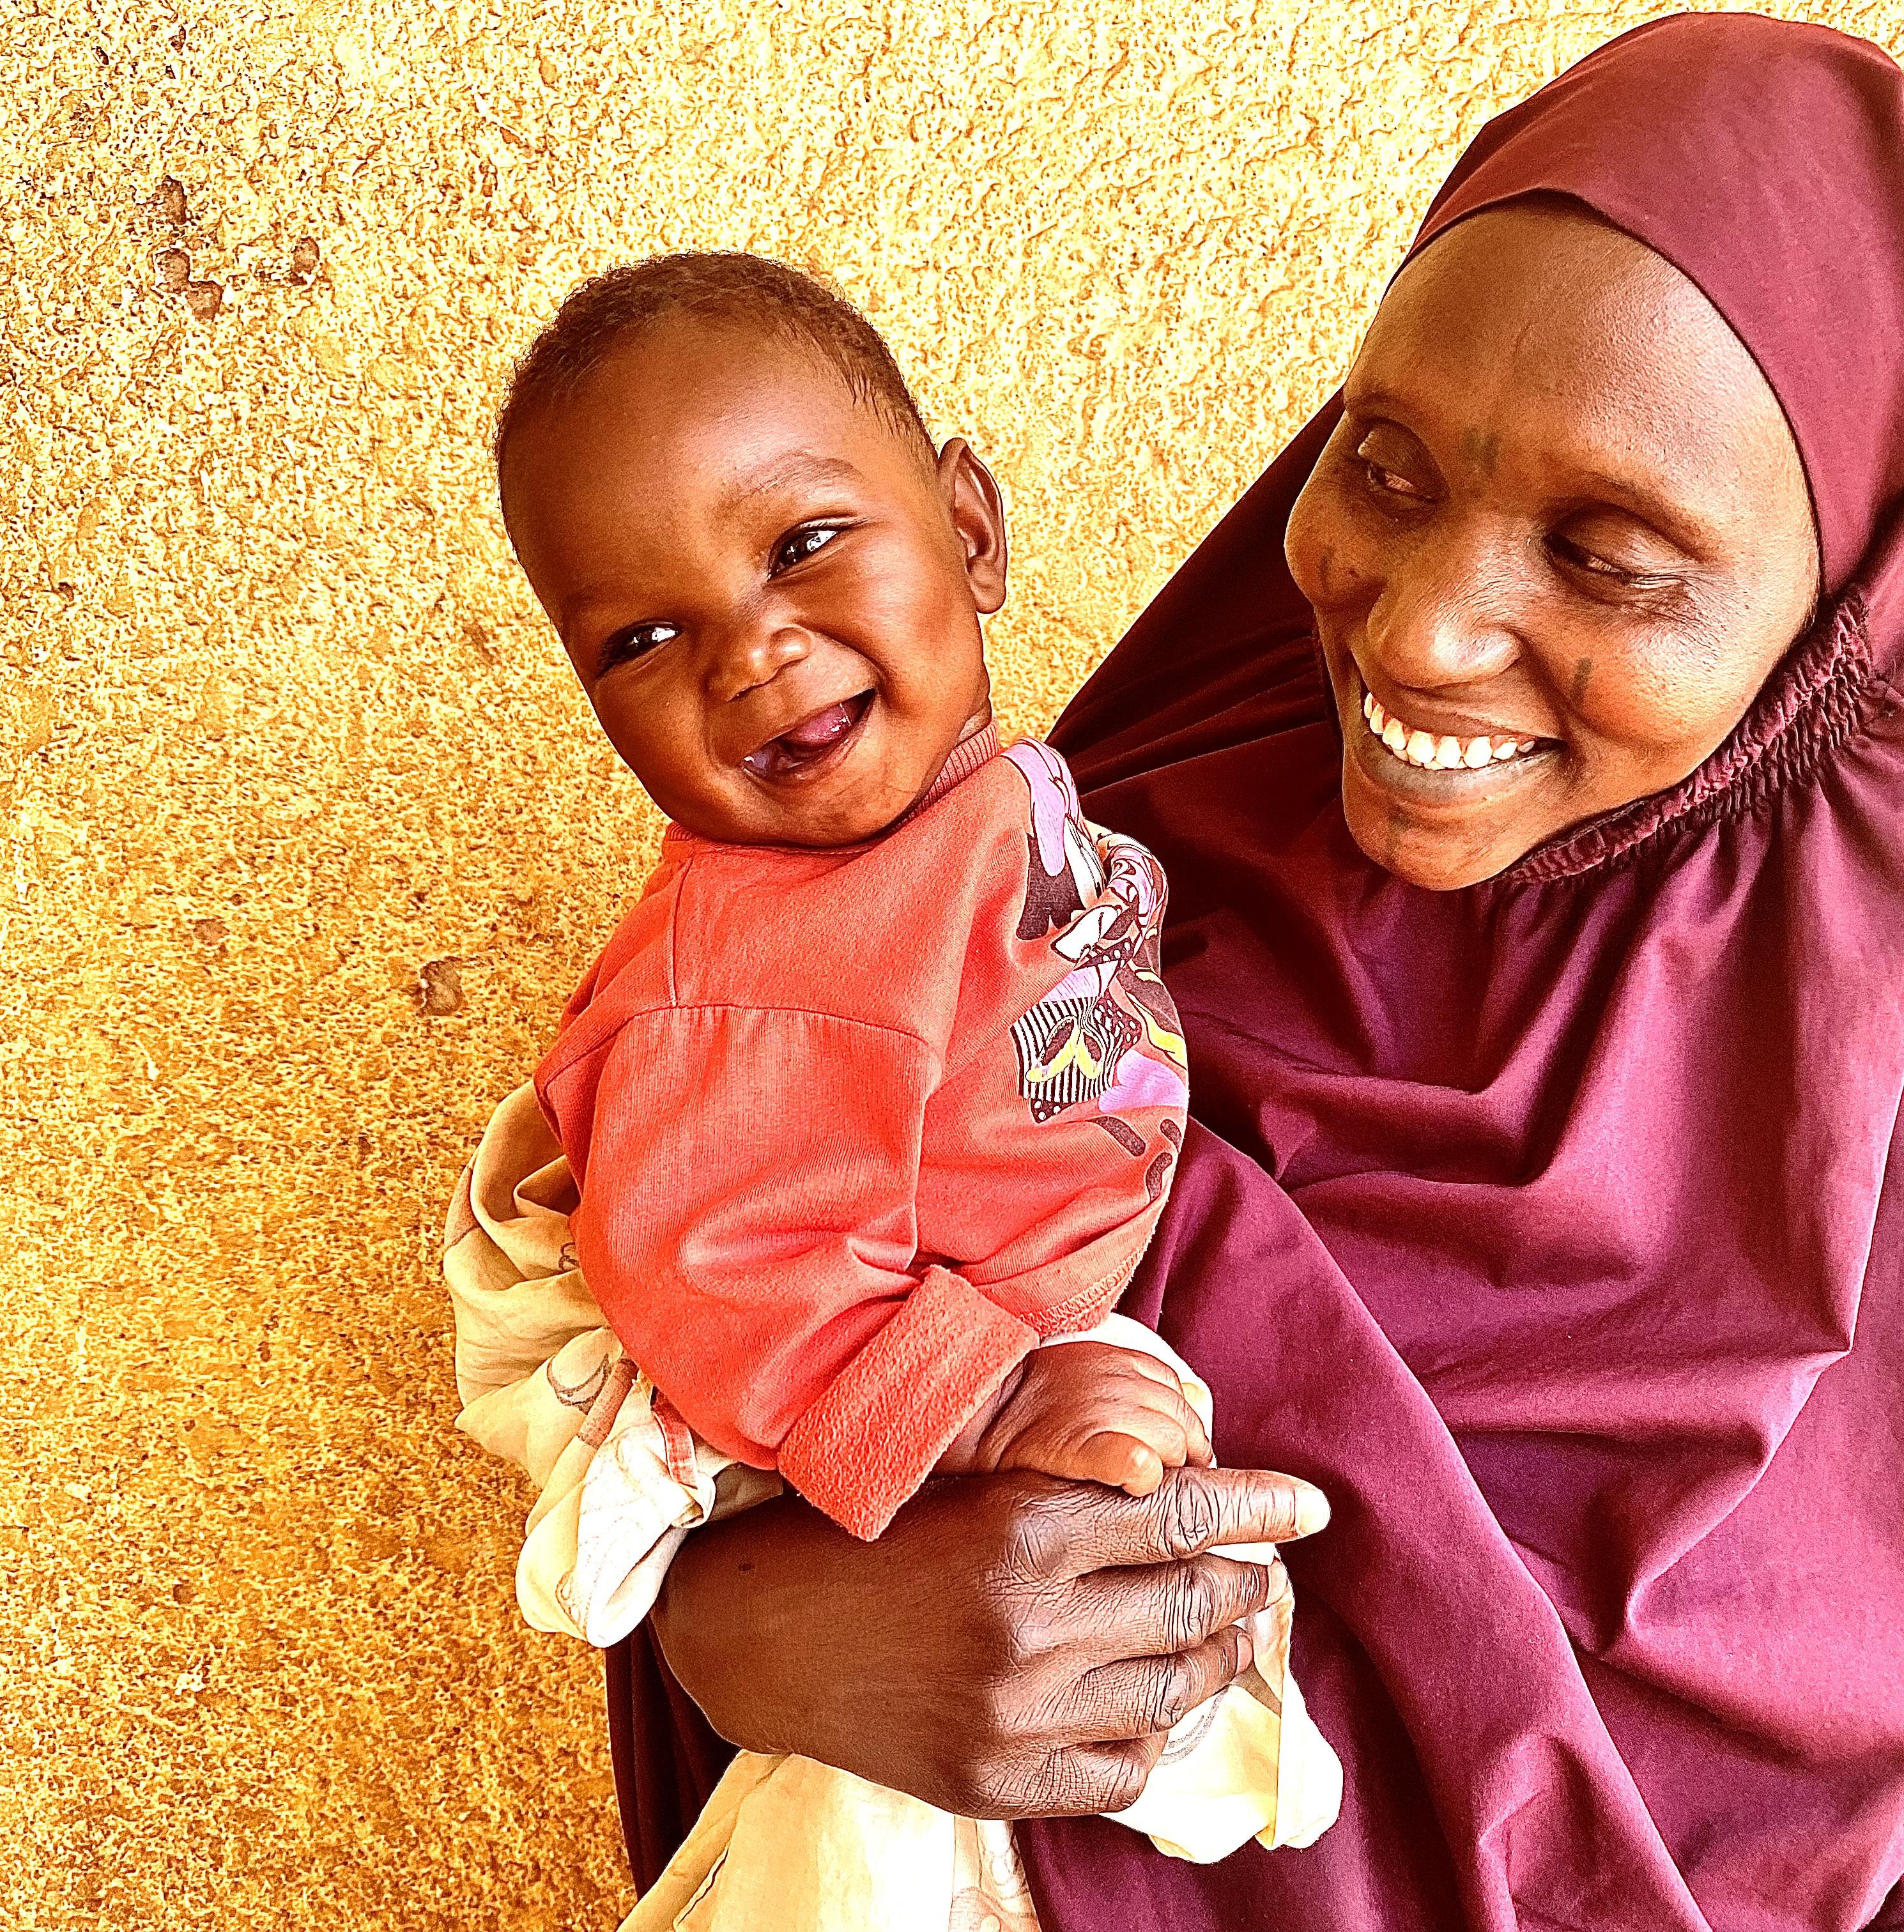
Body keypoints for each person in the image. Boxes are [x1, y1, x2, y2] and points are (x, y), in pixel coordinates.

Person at [503, 14, 1904, 1930]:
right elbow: (720, 1291)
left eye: (1610, 557)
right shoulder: (1090, 873)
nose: (1420, 635)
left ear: (1854, 583)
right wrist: (757, 1630)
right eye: (1390, 470)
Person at [451, 252, 1339, 1930]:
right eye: (645, 638)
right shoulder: (746, 989)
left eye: (801, 545)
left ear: (971, 530)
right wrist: (994, 1408)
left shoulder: (980, 803)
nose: (753, 647)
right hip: (929, 1421)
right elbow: (717, 1266)